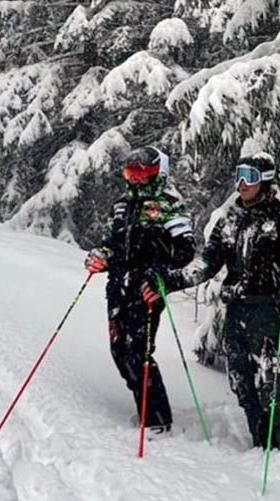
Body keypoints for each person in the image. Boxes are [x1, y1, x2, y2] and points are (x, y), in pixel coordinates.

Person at [141, 153, 280, 465]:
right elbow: (208, 262)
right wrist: (173, 279)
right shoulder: (231, 218)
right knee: (242, 382)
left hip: (268, 309)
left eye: (250, 176)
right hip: (236, 309)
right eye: (239, 175)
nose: (242, 183)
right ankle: (263, 445)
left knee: (274, 381)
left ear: (265, 180)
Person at [84, 146, 195, 438]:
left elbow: (185, 250)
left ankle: (156, 420)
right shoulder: (122, 204)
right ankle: (143, 405)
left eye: (141, 172)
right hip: (119, 285)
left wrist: (160, 273)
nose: (134, 178)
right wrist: (101, 257)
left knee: (138, 350)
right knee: (119, 349)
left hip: (147, 286)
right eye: (129, 172)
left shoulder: (169, 203)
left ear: (157, 172)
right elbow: (112, 242)